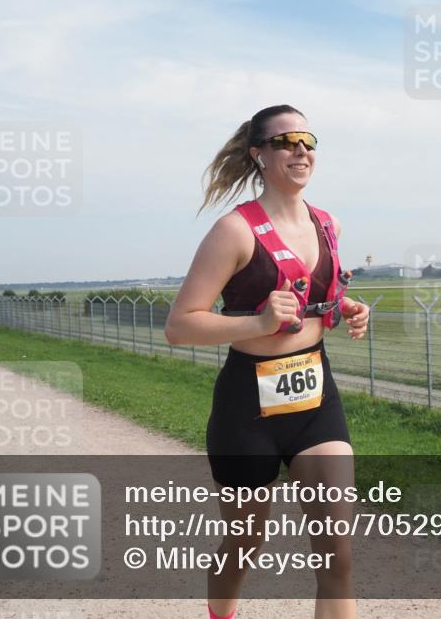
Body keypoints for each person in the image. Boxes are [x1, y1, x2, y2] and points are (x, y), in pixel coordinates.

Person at [164, 105, 369, 619]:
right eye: (286, 141)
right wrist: (256, 324)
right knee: (243, 546)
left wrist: (344, 307)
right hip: (245, 411)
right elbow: (180, 325)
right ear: (258, 154)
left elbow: (314, 293)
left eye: (308, 140)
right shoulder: (233, 231)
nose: (301, 150)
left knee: (336, 555)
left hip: (316, 400)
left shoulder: (329, 224)